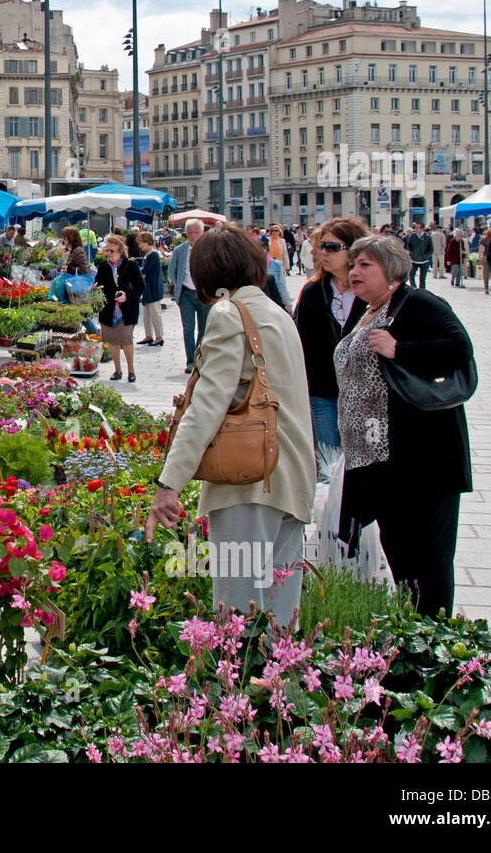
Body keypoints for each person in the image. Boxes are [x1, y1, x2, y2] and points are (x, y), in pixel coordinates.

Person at [146, 226, 316, 620]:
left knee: (237, 615)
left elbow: (207, 404)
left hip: (250, 479)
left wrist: (169, 484)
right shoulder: (276, 312)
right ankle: (276, 682)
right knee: (279, 616)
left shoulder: (228, 313)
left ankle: (235, 683)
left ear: (207, 272)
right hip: (290, 479)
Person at [334, 235, 473, 617]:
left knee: (428, 557)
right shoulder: (366, 310)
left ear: (391, 272)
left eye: (366, 265)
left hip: (421, 457)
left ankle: (436, 635)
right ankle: (412, 630)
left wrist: (401, 350)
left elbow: (459, 349)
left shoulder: (418, 303)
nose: (355, 271)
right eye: (354, 264)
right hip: (378, 458)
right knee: (401, 555)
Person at [292, 216, 368, 456]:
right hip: (323, 391)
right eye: (321, 246)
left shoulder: (370, 291)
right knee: (329, 462)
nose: (322, 252)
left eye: (332, 247)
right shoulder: (313, 292)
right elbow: (301, 344)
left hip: (364, 394)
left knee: (364, 458)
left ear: (353, 250)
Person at [92, 233, 142, 381]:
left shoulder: (131, 266)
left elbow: (141, 287)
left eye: (111, 251)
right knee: (112, 341)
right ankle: (117, 370)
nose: (108, 254)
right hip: (108, 309)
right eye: (107, 250)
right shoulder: (103, 267)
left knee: (126, 340)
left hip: (126, 310)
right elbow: (98, 283)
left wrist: (128, 296)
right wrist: (95, 288)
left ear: (121, 251)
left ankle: (131, 371)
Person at [168, 219, 211, 373]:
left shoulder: (210, 249)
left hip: (204, 293)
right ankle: (191, 361)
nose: (193, 236)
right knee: (188, 329)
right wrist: (178, 285)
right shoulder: (180, 250)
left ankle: (202, 358)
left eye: (196, 232)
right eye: (189, 233)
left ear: (202, 232)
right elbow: (171, 272)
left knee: (204, 329)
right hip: (186, 293)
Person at [137, 231, 165, 347]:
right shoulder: (148, 255)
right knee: (146, 315)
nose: (139, 245)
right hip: (148, 289)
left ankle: (159, 337)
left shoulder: (153, 255)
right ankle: (148, 335)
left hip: (153, 288)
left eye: (140, 243)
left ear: (147, 242)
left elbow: (144, 271)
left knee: (154, 314)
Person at [405, 221, 433, 289]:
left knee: (422, 278)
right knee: (411, 275)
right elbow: (409, 245)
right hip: (414, 260)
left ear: (422, 229)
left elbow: (431, 249)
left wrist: (426, 256)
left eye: (417, 227)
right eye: (415, 227)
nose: (416, 229)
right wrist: (411, 252)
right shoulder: (413, 236)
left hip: (424, 261)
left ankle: (422, 291)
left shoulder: (427, 237)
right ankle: (414, 288)